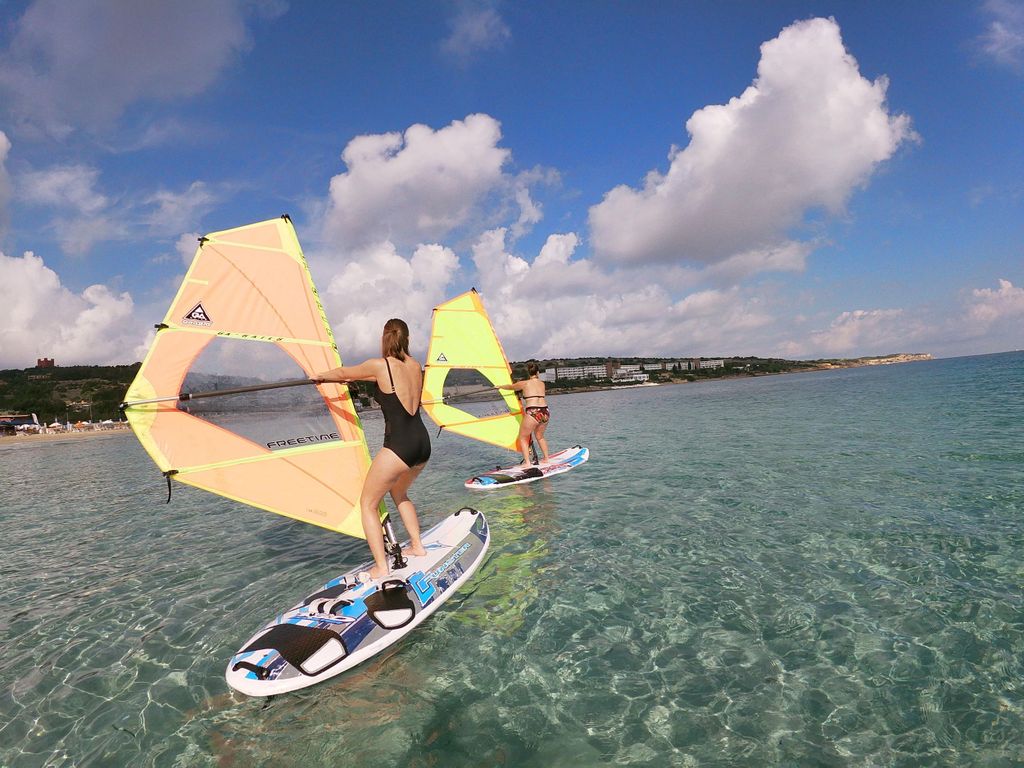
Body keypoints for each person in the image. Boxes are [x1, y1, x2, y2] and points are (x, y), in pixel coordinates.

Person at [315, 318, 430, 580]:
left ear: (384, 338)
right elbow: (374, 380)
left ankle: (381, 567)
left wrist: (320, 376)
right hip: (422, 444)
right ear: (407, 339)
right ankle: (417, 546)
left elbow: (342, 372)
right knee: (399, 491)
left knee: (368, 504)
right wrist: (351, 381)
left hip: (399, 446)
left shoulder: (379, 365)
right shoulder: (415, 366)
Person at [499, 361, 550, 465]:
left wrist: (499, 386)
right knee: (540, 437)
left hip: (533, 411)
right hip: (545, 411)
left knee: (523, 437)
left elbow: (510, 387)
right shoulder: (542, 384)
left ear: (528, 372)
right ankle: (546, 458)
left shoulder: (524, 383)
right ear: (538, 372)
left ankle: (527, 463)